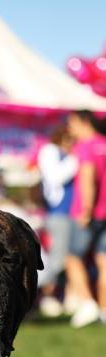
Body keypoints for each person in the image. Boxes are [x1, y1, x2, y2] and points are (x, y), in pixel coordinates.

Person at [65, 110, 106, 328]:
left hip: (88, 213)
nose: (71, 129)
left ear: (84, 122)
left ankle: (88, 303)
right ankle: (104, 310)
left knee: (72, 258)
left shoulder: (86, 146)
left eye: (73, 124)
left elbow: (88, 178)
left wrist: (87, 209)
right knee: (104, 261)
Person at [37, 125, 78, 316]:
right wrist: (76, 157)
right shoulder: (51, 152)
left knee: (69, 258)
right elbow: (56, 177)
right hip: (59, 214)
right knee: (58, 259)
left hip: (71, 215)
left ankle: (65, 297)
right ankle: (43, 296)